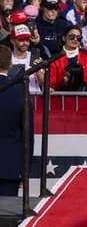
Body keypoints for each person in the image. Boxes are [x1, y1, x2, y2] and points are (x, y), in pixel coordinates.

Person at [0, 45, 29, 196]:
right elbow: (27, 134)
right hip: (10, 166)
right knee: (7, 216)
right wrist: (25, 170)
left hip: (10, 167)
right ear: (10, 64)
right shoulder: (20, 91)